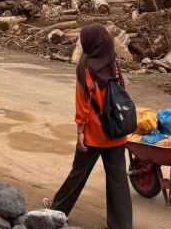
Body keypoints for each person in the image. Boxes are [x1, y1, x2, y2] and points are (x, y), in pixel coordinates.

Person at [47, 25, 133, 229]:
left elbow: (83, 105)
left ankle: (57, 211)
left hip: (93, 134)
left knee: (78, 174)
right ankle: (121, 225)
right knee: (118, 180)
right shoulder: (113, 62)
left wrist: (80, 133)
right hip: (115, 133)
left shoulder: (85, 68)